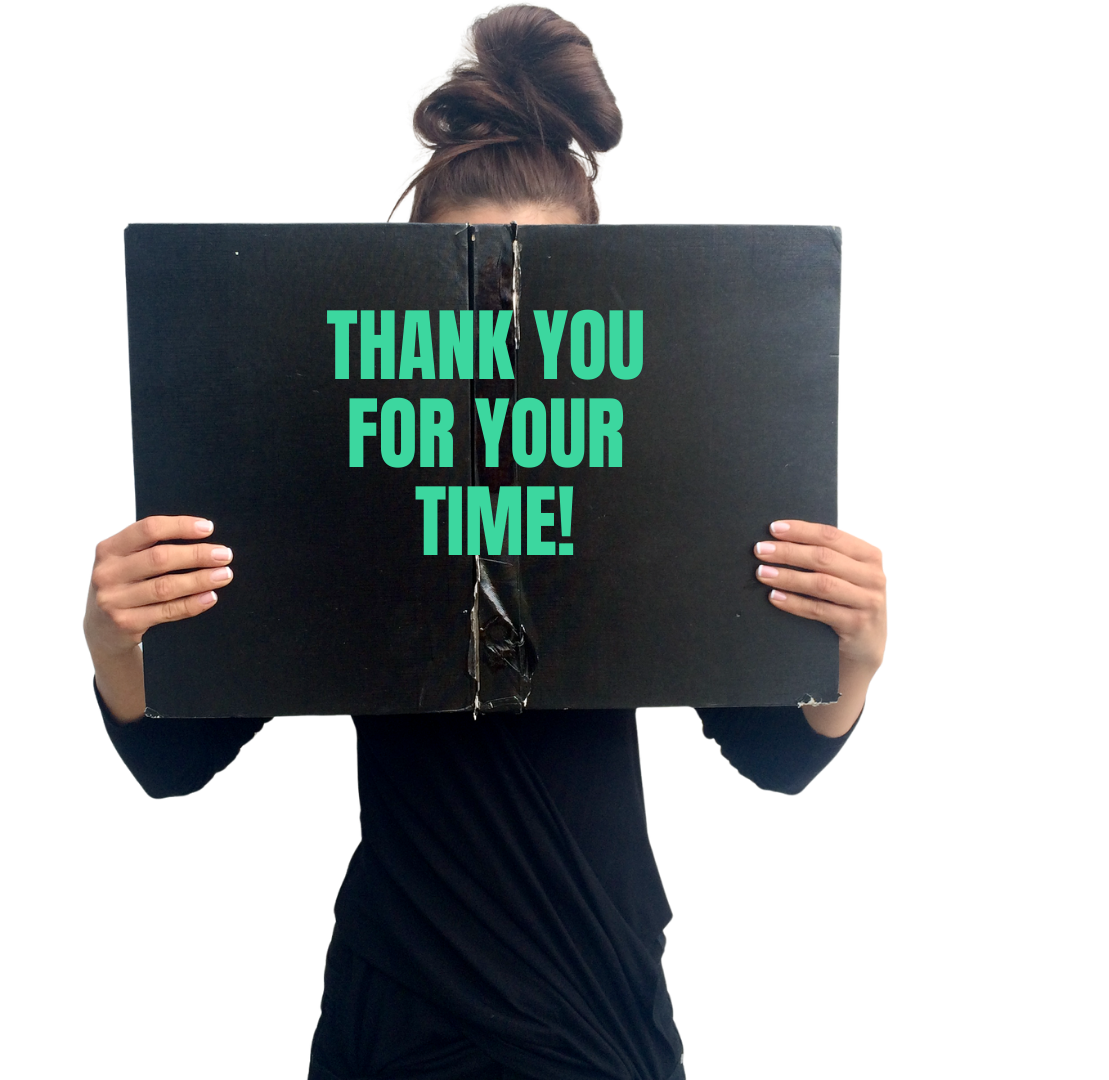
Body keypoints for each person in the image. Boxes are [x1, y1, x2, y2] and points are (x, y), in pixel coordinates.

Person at [91, 5, 888, 1078]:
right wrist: (119, 643)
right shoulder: (329, 475)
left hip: (596, 1013)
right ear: (411, 300)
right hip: (393, 1019)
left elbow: (778, 755)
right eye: (474, 289)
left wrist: (848, 657)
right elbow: (176, 757)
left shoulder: (670, 482)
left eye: (540, 296)